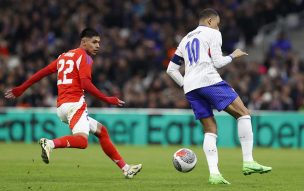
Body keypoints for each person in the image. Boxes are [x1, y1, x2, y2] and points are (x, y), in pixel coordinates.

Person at [4, 28, 142, 179]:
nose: (98, 46)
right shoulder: (85, 57)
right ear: (83, 42)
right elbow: (86, 84)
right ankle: (50, 144)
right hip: (75, 104)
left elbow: (42, 72)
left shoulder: (64, 56)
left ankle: (126, 168)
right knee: (82, 141)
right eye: (94, 42)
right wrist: (108, 99)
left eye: (99, 43)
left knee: (102, 131)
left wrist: (21, 88)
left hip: (61, 107)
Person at [166, 8, 271, 185]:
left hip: (191, 88)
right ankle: (248, 162)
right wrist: (233, 55)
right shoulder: (213, 33)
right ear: (209, 21)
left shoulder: (185, 39)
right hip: (208, 80)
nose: (218, 26)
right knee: (243, 114)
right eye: (217, 23)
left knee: (210, 130)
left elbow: (171, 69)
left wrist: (185, 83)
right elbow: (217, 62)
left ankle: (214, 174)